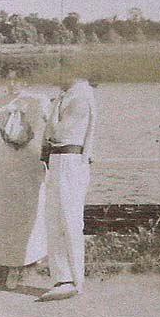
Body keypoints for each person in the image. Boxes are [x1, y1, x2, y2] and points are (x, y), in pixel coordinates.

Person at [0, 77, 51, 289]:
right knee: (6, 213)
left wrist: (50, 153)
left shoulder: (39, 100)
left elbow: (53, 127)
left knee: (31, 212)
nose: (13, 83)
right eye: (9, 78)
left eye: (19, 78)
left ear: (27, 79)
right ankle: (8, 264)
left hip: (30, 161)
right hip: (5, 163)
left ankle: (33, 260)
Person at [38, 76, 97, 301]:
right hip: (58, 160)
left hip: (70, 160)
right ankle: (62, 279)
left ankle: (73, 279)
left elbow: (58, 133)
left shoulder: (81, 96)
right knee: (54, 219)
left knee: (70, 220)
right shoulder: (67, 95)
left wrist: (47, 117)